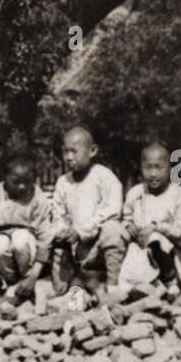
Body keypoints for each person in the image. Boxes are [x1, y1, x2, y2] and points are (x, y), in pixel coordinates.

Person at [49, 124, 125, 299]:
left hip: (98, 249)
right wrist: (63, 230)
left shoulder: (104, 177)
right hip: (75, 250)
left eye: (74, 151)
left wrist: (81, 231)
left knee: (113, 229)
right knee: (66, 293)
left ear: (92, 151)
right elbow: (57, 214)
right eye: (65, 151)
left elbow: (112, 210)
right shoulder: (63, 182)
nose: (68, 157)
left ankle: (112, 287)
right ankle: (80, 289)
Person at [122, 141, 181, 291]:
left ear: (169, 169)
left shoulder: (178, 193)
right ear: (141, 168)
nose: (153, 174)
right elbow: (126, 218)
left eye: (158, 167)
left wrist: (157, 227)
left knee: (156, 239)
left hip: (171, 252)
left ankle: (171, 281)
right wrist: (129, 227)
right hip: (141, 249)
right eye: (148, 167)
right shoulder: (135, 193)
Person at [0, 151, 54, 300]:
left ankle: (26, 282)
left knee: (21, 240)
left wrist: (33, 276)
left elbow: (45, 240)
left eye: (27, 181)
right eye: (16, 181)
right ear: (5, 178)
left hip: (27, 248)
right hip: (0, 248)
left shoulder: (38, 199)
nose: (22, 187)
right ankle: (7, 282)